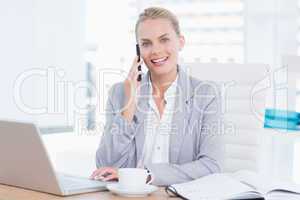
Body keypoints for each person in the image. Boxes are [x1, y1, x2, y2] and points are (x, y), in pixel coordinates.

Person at [90, 7, 223, 186]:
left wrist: (146, 175)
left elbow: (211, 166)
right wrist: (128, 106)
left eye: (164, 40)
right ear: (138, 51)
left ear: (181, 42)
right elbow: (106, 165)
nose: (156, 50)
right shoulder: (119, 93)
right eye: (146, 43)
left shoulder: (205, 94)